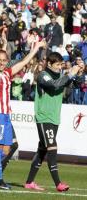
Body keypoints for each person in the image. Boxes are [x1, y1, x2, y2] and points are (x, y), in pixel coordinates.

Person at [0, 35, 46, 189]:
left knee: (7, 148)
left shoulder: (7, 73)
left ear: (7, 62)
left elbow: (25, 61)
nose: (0, 63)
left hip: (6, 115)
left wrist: (37, 47)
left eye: (3, 60)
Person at [24, 52, 83, 192]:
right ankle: (58, 183)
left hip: (54, 118)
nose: (59, 67)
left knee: (42, 151)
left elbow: (76, 85)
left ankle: (29, 182)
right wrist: (69, 74)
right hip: (44, 117)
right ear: (49, 64)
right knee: (52, 147)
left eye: (61, 64)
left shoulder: (61, 76)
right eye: (57, 64)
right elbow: (55, 86)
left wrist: (78, 73)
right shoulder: (43, 75)